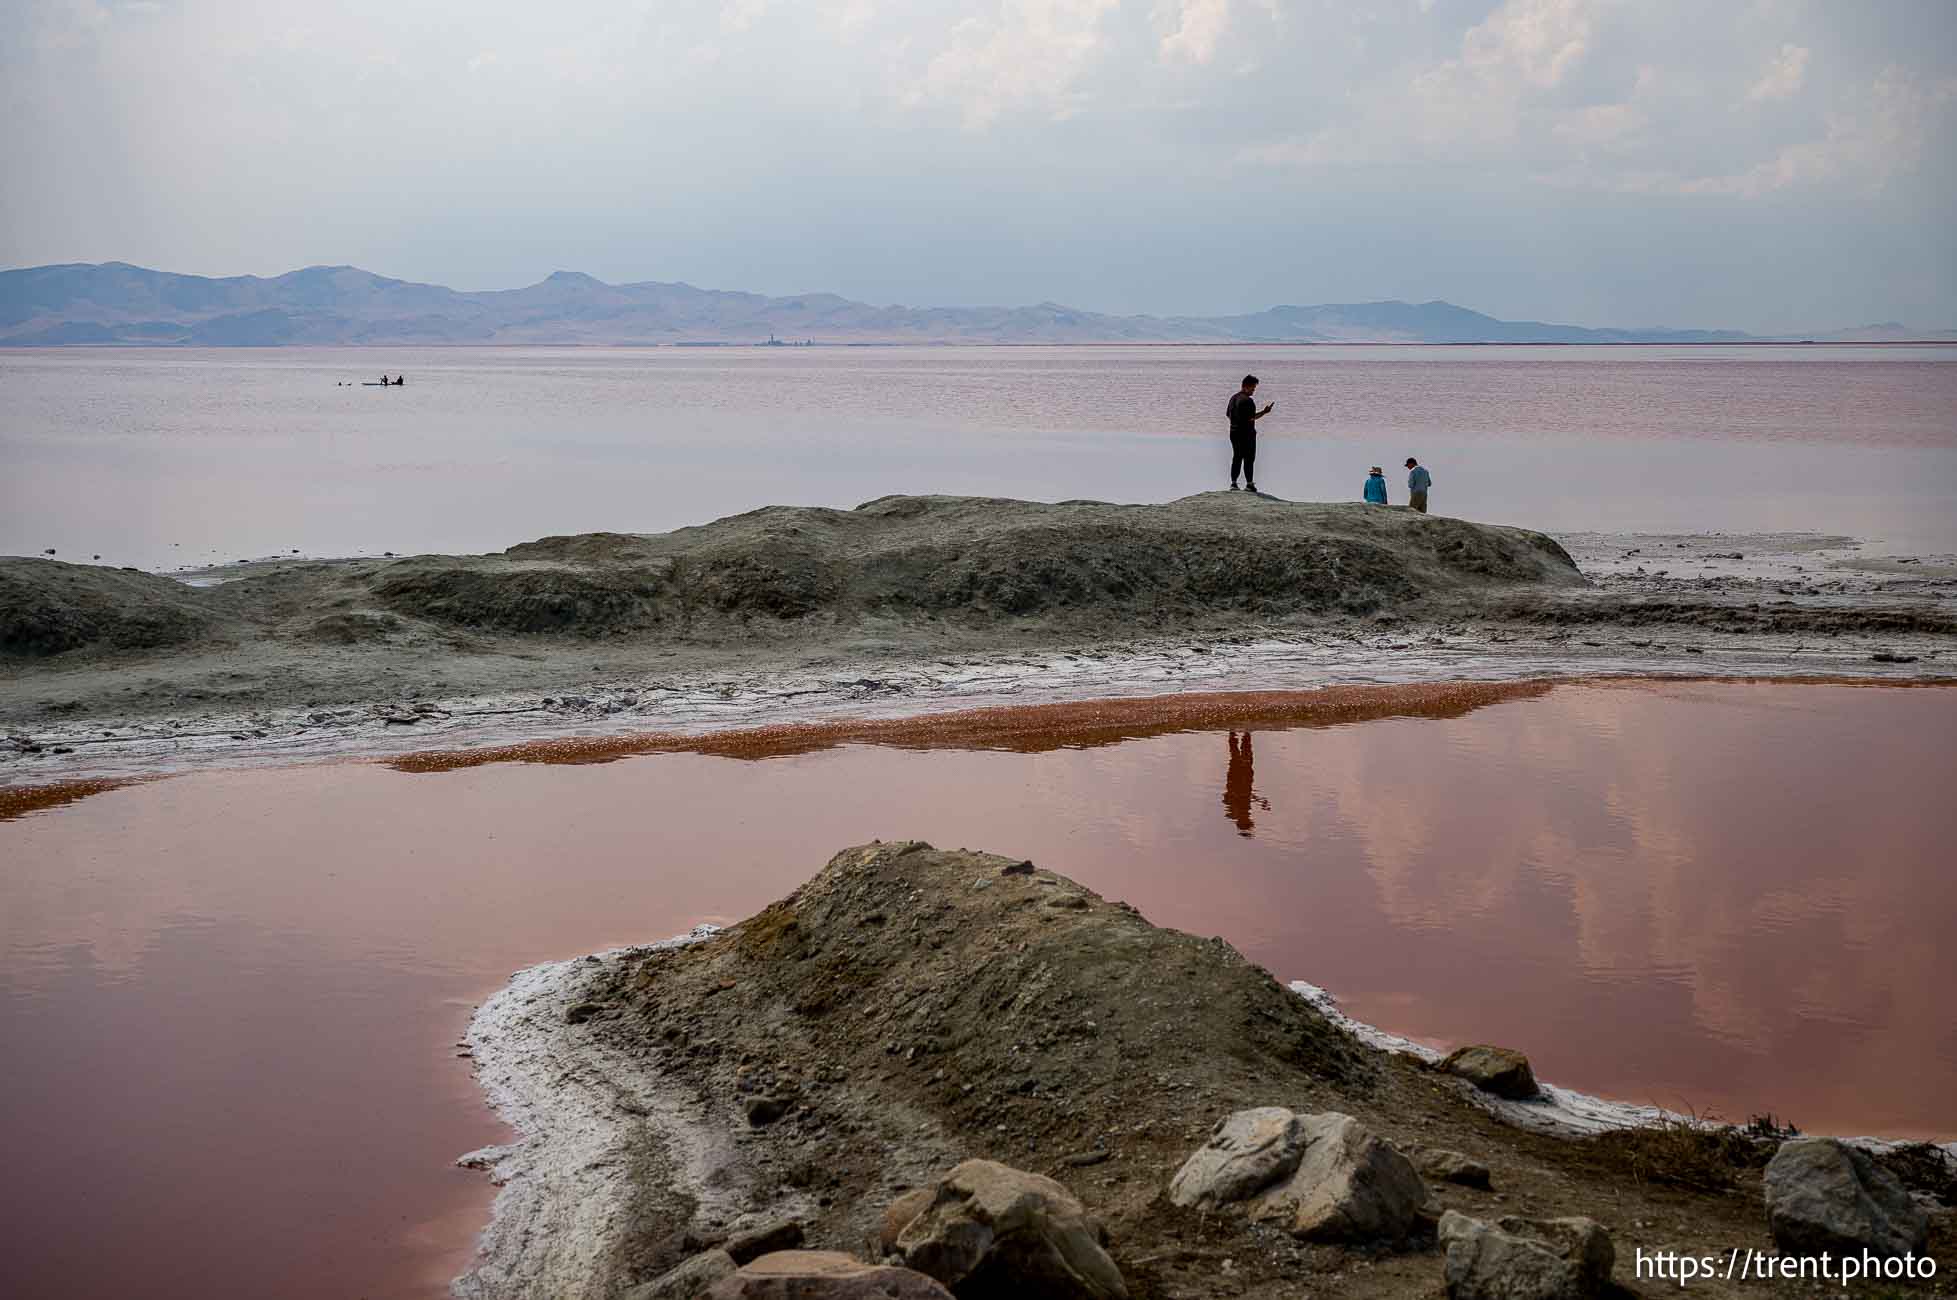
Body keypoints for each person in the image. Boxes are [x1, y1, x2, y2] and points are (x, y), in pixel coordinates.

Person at [1226, 374, 1273, 492]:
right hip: (1247, 433)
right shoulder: (1248, 401)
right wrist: (1265, 412)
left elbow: (1228, 415)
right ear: (1245, 386)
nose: (1253, 391)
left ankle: (1233, 483)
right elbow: (1252, 418)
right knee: (1249, 458)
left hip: (1234, 432)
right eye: (1252, 388)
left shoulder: (1233, 398)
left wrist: (1236, 423)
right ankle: (1249, 484)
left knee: (1237, 457)